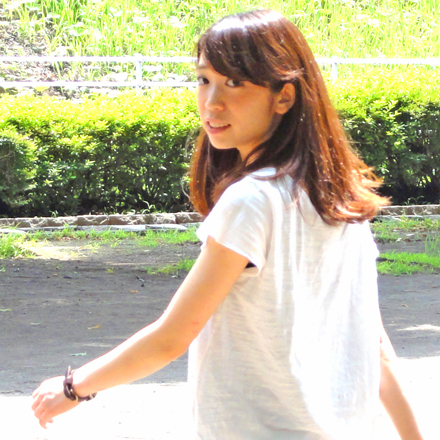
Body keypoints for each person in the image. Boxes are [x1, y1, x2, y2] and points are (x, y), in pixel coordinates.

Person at [32, 9, 425, 440]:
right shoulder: (339, 200)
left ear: (284, 96)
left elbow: (173, 336)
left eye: (235, 82)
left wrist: (73, 388)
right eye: (204, 80)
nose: (212, 102)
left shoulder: (252, 200)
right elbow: (375, 345)